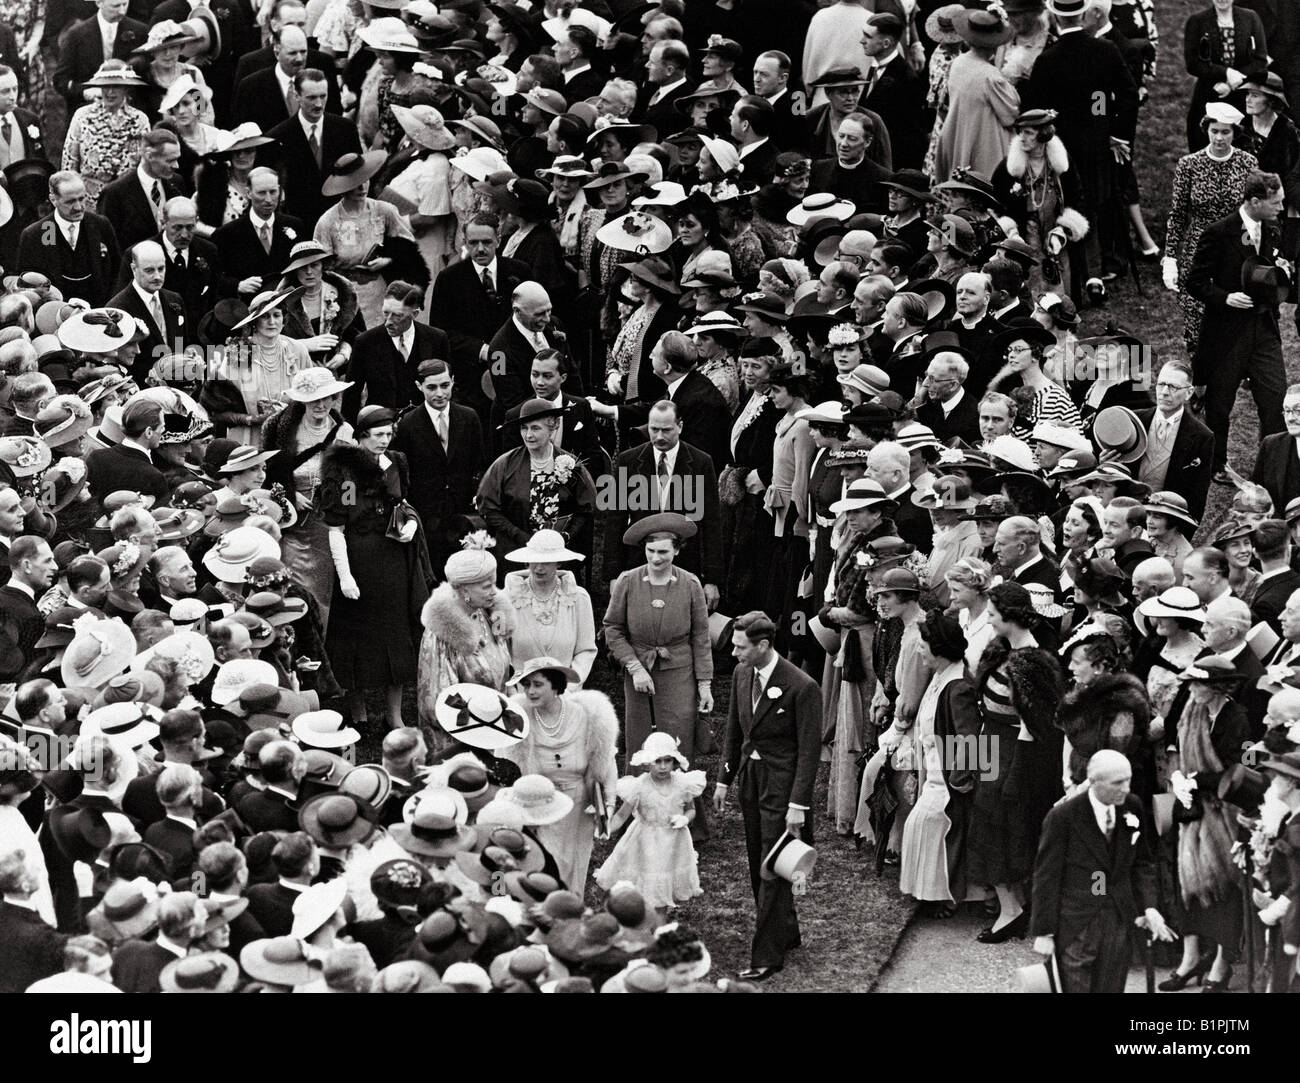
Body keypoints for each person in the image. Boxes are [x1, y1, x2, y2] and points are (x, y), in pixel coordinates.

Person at [715, 610, 822, 981]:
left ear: (763, 645)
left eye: (740, 647)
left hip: (782, 787)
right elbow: (734, 729)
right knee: (756, 862)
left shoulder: (802, 686)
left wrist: (798, 806)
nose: (733, 654)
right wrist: (724, 780)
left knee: (771, 865)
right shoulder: (744, 674)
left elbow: (809, 753)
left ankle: (767, 954)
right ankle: (786, 931)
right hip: (751, 779)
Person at [320, 405, 432, 733]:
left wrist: (410, 522)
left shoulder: (396, 463)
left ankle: (393, 712)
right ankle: (359, 709)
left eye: (388, 433)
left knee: (395, 635)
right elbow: (336, 528)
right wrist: (345, 576)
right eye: (378, 434)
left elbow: (401, 504)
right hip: (358, 561)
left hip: (394, 561)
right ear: (361, 437)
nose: (385, 440)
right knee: (356, 639)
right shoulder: (343, 471)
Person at [967, 581, 1065, 944]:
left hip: (1012, 750)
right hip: (987, 740)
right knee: (980, 815)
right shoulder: (1001, 648)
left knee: (1000, 825)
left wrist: (1016, 773)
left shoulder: (1033, 662)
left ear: (1010, 617)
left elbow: (1036, 726)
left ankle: (1012, 909)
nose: (988, 620)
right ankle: (1010, 903)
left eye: (992, 614)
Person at [1030, 749, 1175, 992]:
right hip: (1076, 921)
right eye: (1118, 783)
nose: (1126, 788)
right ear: (1095, 783)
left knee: (1111, 986)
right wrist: (1044, 932)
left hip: (1118, 919)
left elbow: (1142, 862)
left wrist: (1149, 906)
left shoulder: (1132, 806)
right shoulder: (1063, 817)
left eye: (1128, 780)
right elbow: (1047, 876)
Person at [1187, 170, 1288, 483]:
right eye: (1276, 202)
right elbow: (1195, 282)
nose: (1281, 208)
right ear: (1255, 201)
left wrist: (1280, 272)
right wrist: (1226, 297)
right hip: (1227, 333)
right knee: (1220, 403)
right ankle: (1215, 465)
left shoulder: (1272, 229)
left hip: (1264, 330)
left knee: (1276, 399)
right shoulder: (1219, 232)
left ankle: (1270, 466)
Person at [1160, 656, 1252, 991]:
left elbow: (1239, 766)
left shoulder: (1236, 718)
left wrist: (1196, 780)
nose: (1193, 689)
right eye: (1192, 683)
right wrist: (1178, 778)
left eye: (1200, 684)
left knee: (1223, 888)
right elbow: (1173, 742)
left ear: (1218, 687)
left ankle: (1220, 965)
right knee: (1186, 884)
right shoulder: (1191, 710)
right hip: (1190, 810)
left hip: (1223, 811)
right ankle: (1190, 958)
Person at [500, 656, 618, 895]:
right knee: (546, 865)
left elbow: (606, 760)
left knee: (576, 865)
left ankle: (571, 912)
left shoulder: (588, 714)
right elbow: (505, 763)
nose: (530, 691)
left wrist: (608, 802)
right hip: (539, 803)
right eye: (526, 685)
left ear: (556, 686)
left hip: (579, 803)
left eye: (538, 684)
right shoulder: (518, 716)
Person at [604, 512, 714, 762]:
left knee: (678, 735)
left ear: (677, 551)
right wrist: (635, 668)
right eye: (651, 550)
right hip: (639, 671)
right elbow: (612, 628)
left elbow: (700, 636)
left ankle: (679, 797)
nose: (656, 558)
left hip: (679, 672)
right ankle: (638, 797)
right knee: (640, 741)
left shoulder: (690, 584)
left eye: (663, 552)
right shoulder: (627, 581)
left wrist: (704, 685)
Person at [1162, 104, 1258, 359]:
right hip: (1199, 246)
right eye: (1214, 131)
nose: (1218, 138)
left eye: (1225, 132)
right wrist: (1170, 257)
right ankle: (1199, 379)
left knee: (1236, 310)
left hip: (1236, 247)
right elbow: (1178, 213)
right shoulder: (1189, 165)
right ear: (1206, 129)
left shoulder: (1248, 163)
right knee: (1196, 316)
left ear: (1234, 133)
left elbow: (1255, 210)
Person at [596, 731, 707, 919]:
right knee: (644, 887)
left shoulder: (682, 783)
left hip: (672, 843)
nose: (663, 767)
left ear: (674, 761)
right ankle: (640, 925)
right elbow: (621, 816)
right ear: (648, 762)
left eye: (667, 761)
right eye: (657, 761)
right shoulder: (639, 786)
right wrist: (605, 828)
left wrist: (685, 819)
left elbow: (691, 809)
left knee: (662, 892)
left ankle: (658, 930)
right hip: (644, 842)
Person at [390, 359, 487, 574]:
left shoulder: (469, 418)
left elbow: (480, 464)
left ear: (453, 382)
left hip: (464, 516)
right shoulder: (408, 424)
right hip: (427, 518)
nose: (440, 393)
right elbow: (404, 473)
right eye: (432, 387)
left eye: (445, 385)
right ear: (419, 387)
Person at [416, 546, 515, 740]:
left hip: (496, 730)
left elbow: (505, 671)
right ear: (464, 589)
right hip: (460, 741)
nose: (494, 592)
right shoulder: (443, 635)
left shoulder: (488, 614)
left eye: (494, 584)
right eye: (486, 587)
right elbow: (439, 704)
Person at [314, 152, 419, 328]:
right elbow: (318, 263)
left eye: (366, 180)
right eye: (356, 184)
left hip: (378, 291)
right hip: (342, 293)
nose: (362, 187)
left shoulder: (384, 211)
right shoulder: (328, 221)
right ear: (345, 186)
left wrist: (388, 259)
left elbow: (408, 245)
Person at [503, 530, 597, 687]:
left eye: (546, 562)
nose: (539, 568)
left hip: (565, 694)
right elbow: (500, 651)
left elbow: (586, 650)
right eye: (534, 561)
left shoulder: (579, 597)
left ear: (558, 562)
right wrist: (513, 690)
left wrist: (567, 688)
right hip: (521, 693)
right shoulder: (507, 598)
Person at [935, 8, 1020, 181]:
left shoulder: (958, 63)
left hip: (959, 138)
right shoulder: (990, 76)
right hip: (985, 145)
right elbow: (1010, 115)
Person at [60, 61, 150, 212]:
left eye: (116, 87)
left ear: (126, 88)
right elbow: (69, 161)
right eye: (105, 86)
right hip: (87, 199)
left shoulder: (139, 120)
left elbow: (144, 164)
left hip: (126, 198)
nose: (110, 92)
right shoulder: (82, 116)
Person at [1182, 0, 1269, 153]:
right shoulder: (1197, 21)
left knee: (1242, 156)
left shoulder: (1250, 18)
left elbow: (1260, 60)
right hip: (1208, 97)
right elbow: (1193, 63)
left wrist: (1232, 83)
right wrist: (1225, 73)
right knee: (1205, 155)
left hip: (1242, 101)